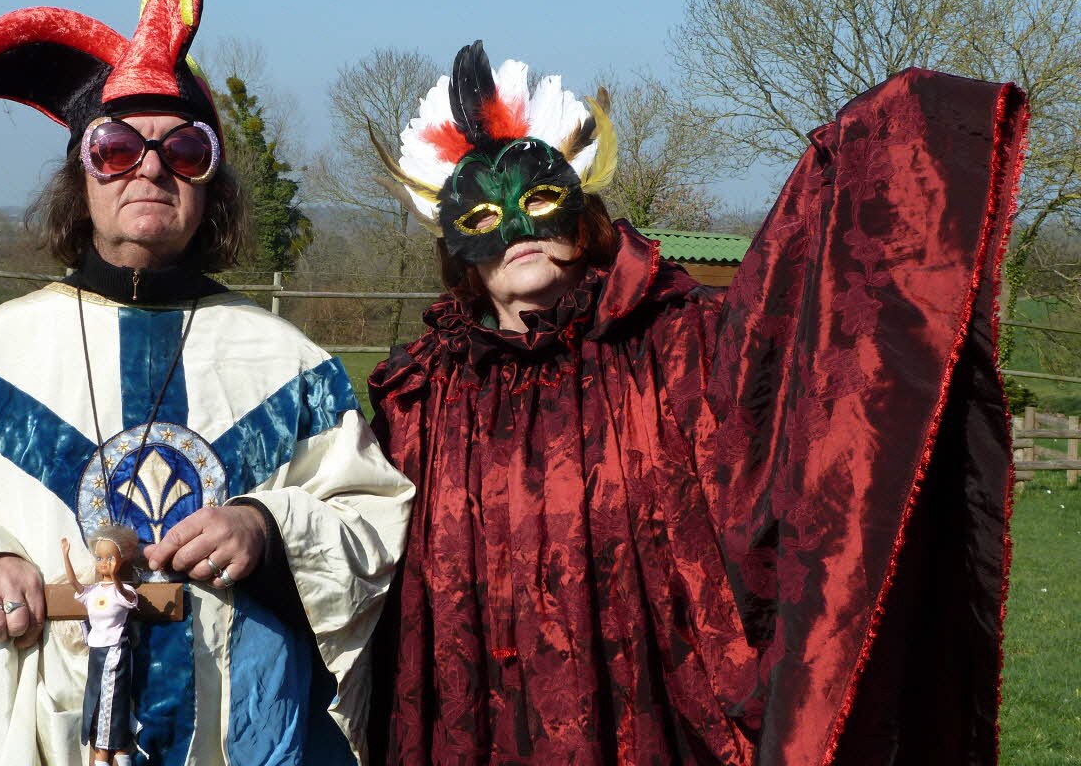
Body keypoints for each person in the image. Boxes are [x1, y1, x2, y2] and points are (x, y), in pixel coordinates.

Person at [367, 41, 1026, 765]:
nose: (518, 230)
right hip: (483, 719)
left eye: (541, 198)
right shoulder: (422, 397)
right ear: (457, 245)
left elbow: (796, 363)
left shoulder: (676, 343)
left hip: (649, 715)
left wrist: (881, 158)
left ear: (578, 208)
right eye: (485, 214)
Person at [0, 0, 413, 766]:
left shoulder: (289, 367)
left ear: (209, 184)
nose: (149, 168)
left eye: (184, 151)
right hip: (34, 729)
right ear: (81, 174)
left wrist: (266, 524)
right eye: (116, 149)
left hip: (238, 732)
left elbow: (369, 517)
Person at [60, 526, 140, 765]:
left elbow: (126, 600)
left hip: (115, 650)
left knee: (112, 697)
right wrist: (65, 556)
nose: (104, 563)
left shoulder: (124, 589)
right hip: (96, 650)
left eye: (110, 558)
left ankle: (112, 747)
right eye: (99, 558)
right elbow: (75, 585)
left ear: (120, 560)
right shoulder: (94, 591)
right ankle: (106, 747)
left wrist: (115, 575)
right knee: (95, 696)